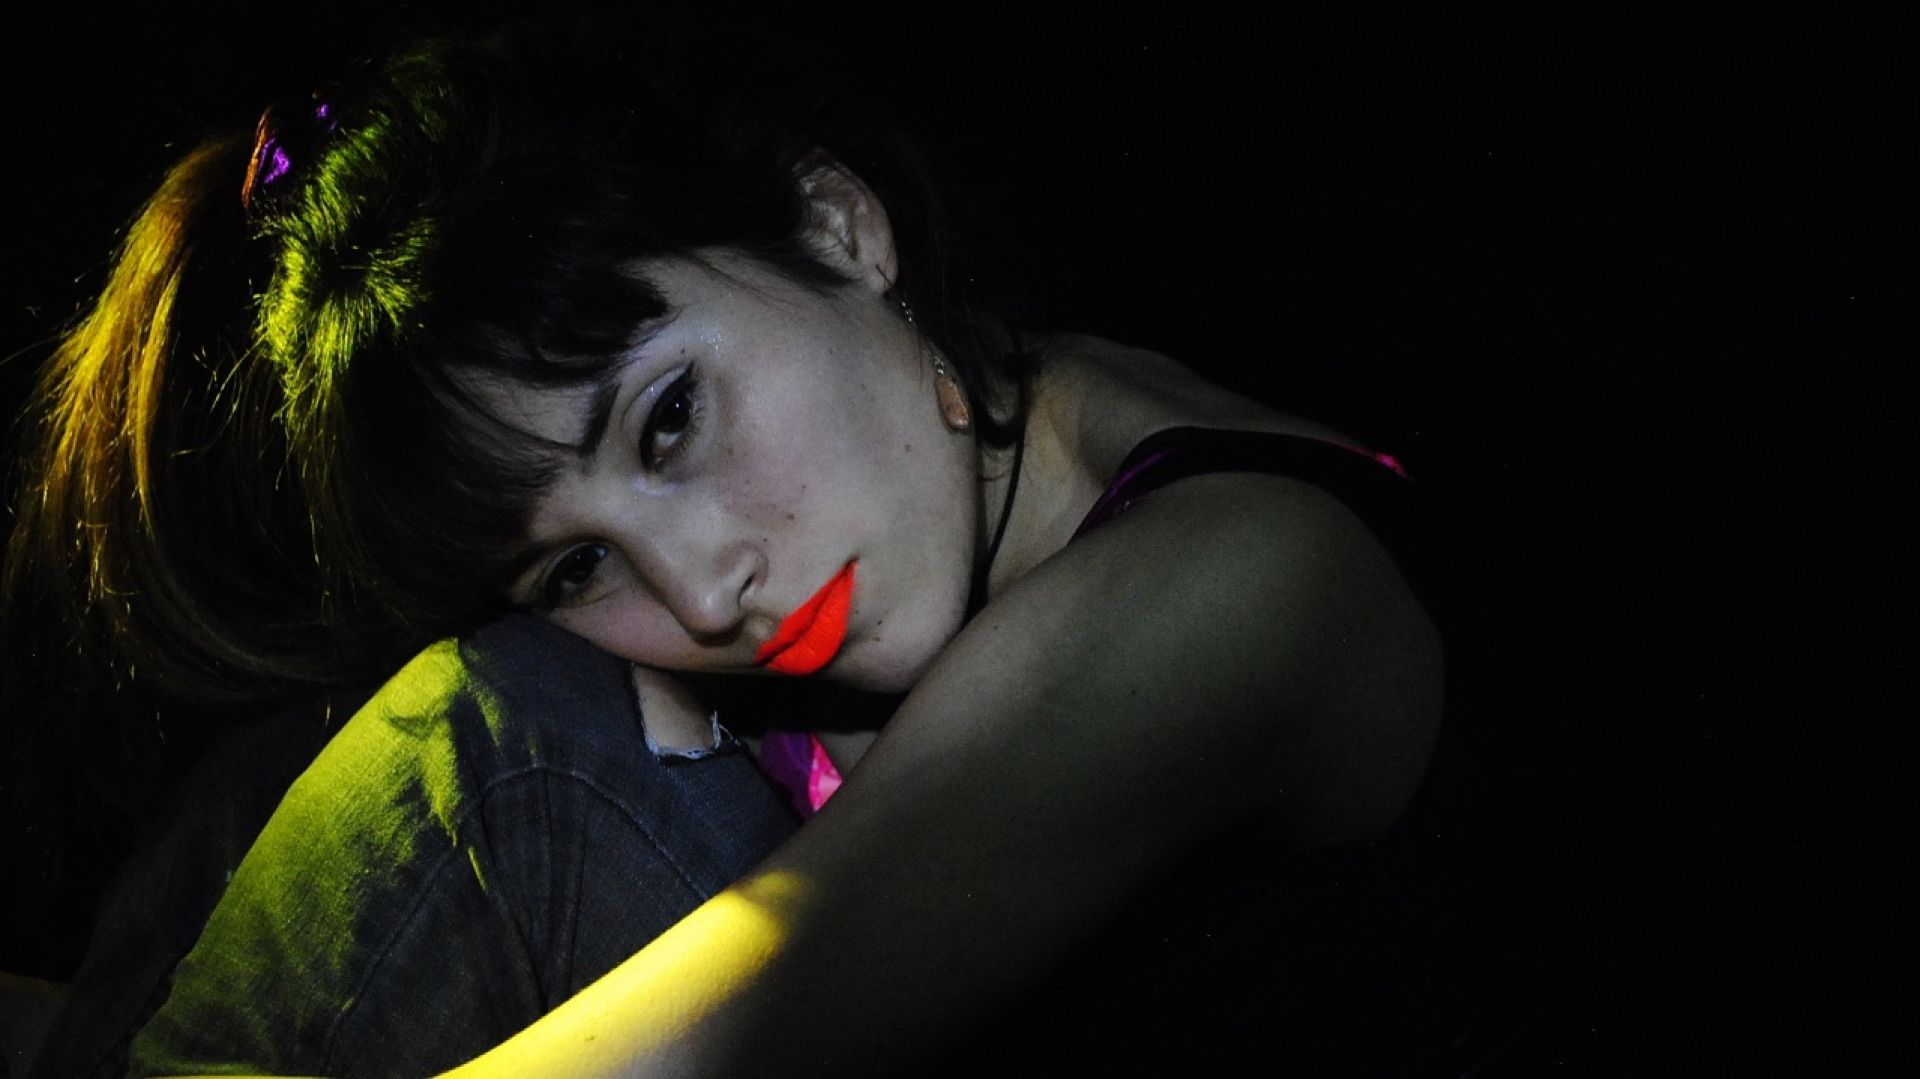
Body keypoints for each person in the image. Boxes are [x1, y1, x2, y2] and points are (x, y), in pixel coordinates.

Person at [5, 17, 1475, 1078]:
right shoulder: (977, 431)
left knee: (500, 735)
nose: (706, 594)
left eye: (670, 420)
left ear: (840, 227)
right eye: (577, 567)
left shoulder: (1243, 580)